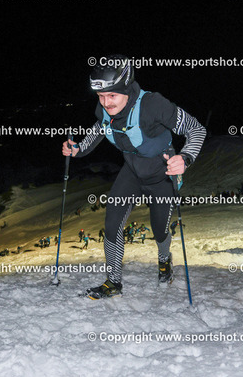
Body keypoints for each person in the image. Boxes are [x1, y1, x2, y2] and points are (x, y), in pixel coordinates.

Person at [63, 54, 206, 299]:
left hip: (161, 174)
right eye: (101, 96)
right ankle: (113, 283)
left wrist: (185, 158)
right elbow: (100, 128)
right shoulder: (104, 108)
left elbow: (196, 129)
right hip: (131, 172)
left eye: (112, 96)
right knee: (111, 225)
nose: (106, 102)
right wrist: (78, 149)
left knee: (159, 230)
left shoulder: (153, 105)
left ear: (126, 88)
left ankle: (164, 260)